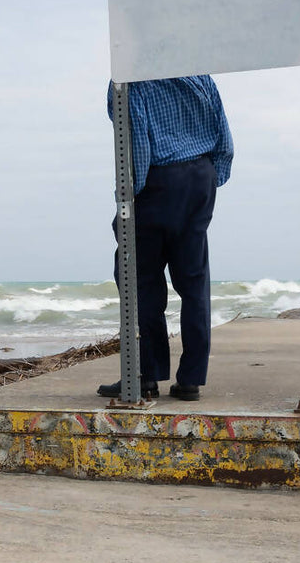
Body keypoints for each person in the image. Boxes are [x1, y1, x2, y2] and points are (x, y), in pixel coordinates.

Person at [98, 76, 233, 403]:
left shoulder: (132, 80)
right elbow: (222, 131)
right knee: (194, 281)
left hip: (157, 179)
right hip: (200, 177)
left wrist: (129, 195)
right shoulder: (199, 74)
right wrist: (214, 175)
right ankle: (190, 380)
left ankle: (145, 375)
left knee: (139, 279)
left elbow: (138, 141)